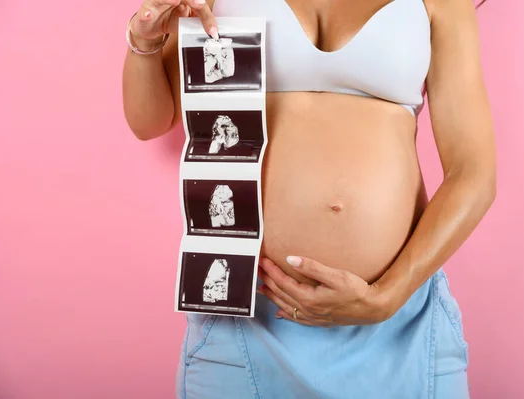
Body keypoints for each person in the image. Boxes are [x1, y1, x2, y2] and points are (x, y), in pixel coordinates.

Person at [122, 0, 496, 398]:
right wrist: (143, 40)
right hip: (247, 319)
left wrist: (387, 297)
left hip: (399, 321)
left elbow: (473, 173)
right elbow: (149, 121)